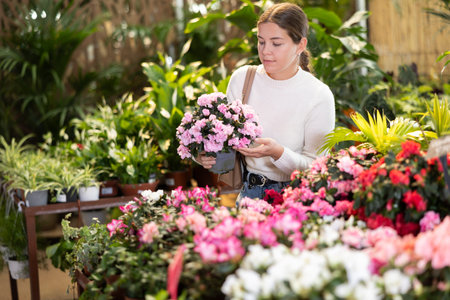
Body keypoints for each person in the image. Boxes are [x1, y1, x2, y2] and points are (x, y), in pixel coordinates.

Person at [195, 3, 335, 201]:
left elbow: (316, 168)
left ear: (300, 45)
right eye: (261, 42)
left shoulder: (318, 95)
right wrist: (202, 154)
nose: (266, 51)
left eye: (276, 43)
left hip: (295, 200)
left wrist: (278, 153)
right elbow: (222, 138)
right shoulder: (243, 79)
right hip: (248, 195)